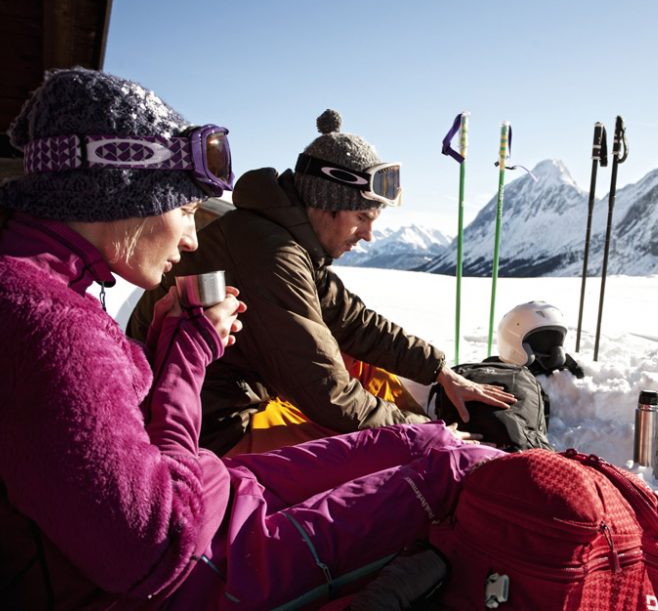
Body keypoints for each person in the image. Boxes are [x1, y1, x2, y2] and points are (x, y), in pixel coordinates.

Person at [0, 68, 502, 608]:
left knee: (429, 444)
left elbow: (349, 318)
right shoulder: (51, 327)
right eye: (186, 210)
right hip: (201, 523)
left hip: (205, 485)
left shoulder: (41, 290)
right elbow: (156, 547)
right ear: (118, 194)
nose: (190, 239)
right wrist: (188, 352)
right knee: (450, 470)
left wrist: (437, 369)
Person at [127, 109, 515, 455]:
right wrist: (426, 435)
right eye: (362, 217)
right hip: (211, 429)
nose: (367, 235)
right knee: (376, 455)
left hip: (231, 396)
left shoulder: (281, 236)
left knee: (363, 365)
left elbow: (354, 321)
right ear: (325, 202)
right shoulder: (272, 255)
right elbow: (326, 393)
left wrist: (439, 370)